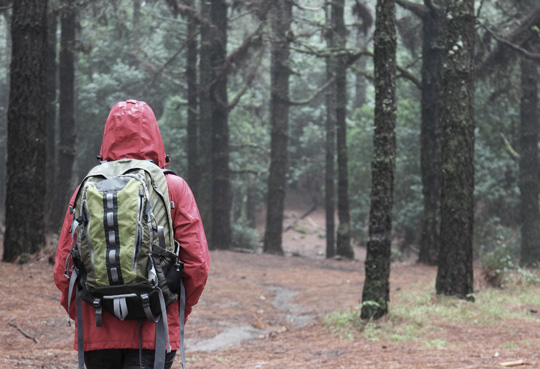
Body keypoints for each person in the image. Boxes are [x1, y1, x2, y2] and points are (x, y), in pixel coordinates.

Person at [54, 99, 210, 369]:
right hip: (155, 328)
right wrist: (174, 311)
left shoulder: (87, 187)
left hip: (97, 329)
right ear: (155, 135)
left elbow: (63, 269)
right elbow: (197, 265)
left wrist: (87, 313)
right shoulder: (173, 187)